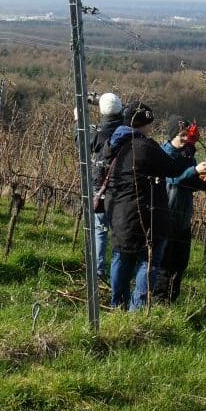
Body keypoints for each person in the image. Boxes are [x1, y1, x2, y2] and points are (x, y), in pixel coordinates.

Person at [101, 101, 206, 310]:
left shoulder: (114, 144)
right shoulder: (145, 146)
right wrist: (193, 170)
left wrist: (196, 177)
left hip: (118, 209)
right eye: (149, 123)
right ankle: (137, 309)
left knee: (121, 256)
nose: (151, 128)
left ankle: (117, 305)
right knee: (147, 260)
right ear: (143, 123)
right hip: (144, 212)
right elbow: (172, 171)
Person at [157, 115, 206, 303]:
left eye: (188, 135)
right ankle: (158, 302)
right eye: (182, 135)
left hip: (183, 218)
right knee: (164, 263)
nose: (186, 139)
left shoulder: (188, 155)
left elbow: (186, 182)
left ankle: (171, 300)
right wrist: (194, 171)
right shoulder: (164, 154)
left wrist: (200, 181)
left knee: (180, 264)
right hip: (166, 217)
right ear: (172, 135)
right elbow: (172, 179)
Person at [90, 92, 123, 281]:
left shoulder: (98, 132)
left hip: (100, 184)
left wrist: (78, 119)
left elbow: (81, 141)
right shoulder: (126, 127)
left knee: (100, 229)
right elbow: (125, 109)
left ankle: (99, 270)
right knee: (118, 229)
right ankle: (118, 272)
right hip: (120, 186)